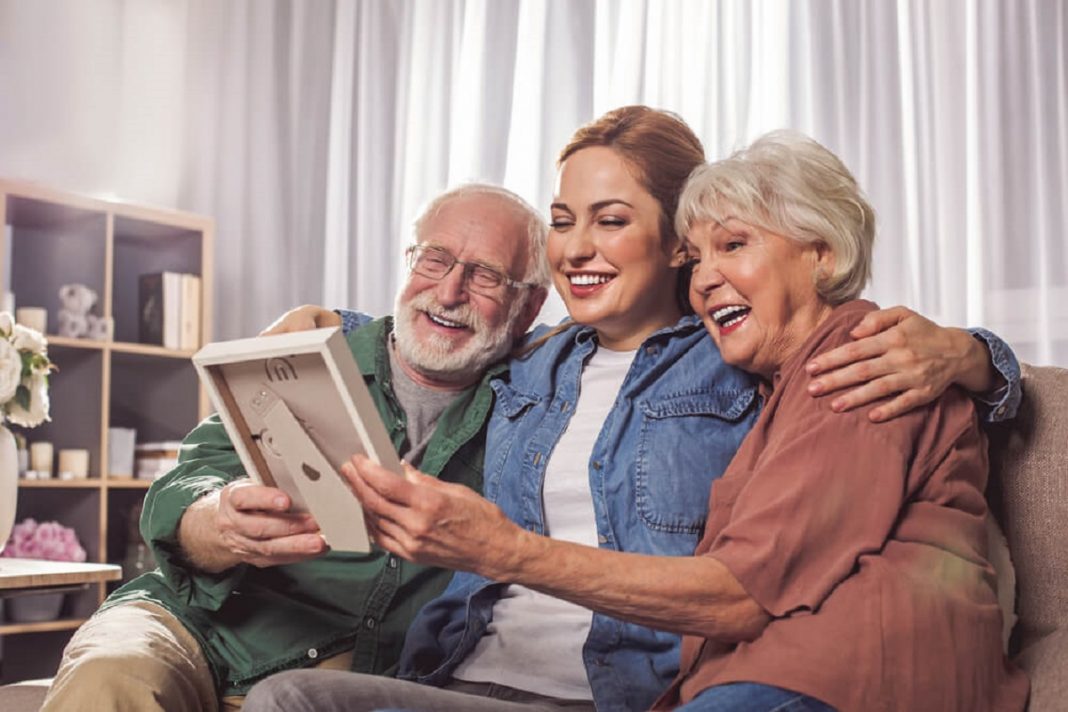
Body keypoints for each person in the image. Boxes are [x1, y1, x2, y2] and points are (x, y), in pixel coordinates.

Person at [243, 108, 1021, 712]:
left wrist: (980, 356)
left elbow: (863, 371)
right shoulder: (532, 358)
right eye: (562, 220)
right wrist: (325, 321)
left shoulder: (739, 357)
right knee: (286, 699)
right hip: (462, 671)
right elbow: (446, 324)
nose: (577, 247)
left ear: (669, 243)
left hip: (617, 689)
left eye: (611, 220)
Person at [40, 183, 551, 712]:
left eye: (486, 275)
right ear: (408, 262)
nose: (448, 292)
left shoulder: (537, 409)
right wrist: (220, 521)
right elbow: (181, 490)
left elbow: (602, 335)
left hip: (330, 670)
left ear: (530, 303)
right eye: (434, 259)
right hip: (188, 626)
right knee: (109, 680)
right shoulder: (307, 354)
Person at [650, 130, 1028, 710]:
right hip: (788, 670)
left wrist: (511, 553)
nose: (701, 279)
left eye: (732, 245)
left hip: (847, 677)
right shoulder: (770, 371)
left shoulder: (863, 356)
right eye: (695, 259)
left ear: (822, 254)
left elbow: (741, 591)